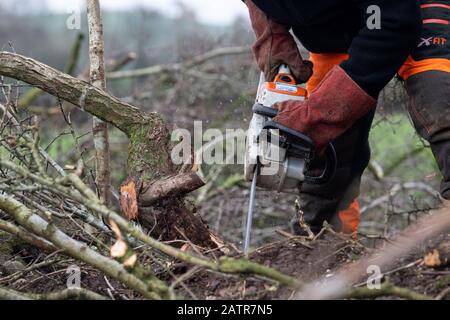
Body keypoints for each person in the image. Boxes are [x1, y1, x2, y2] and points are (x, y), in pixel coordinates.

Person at [244, 0, 450, 235]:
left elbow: (395, 23)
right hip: (334, 29)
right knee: (327, 156)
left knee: (439, 101)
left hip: (411, 9)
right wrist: (269, 29)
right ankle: (320, 246)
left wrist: (318, 115)